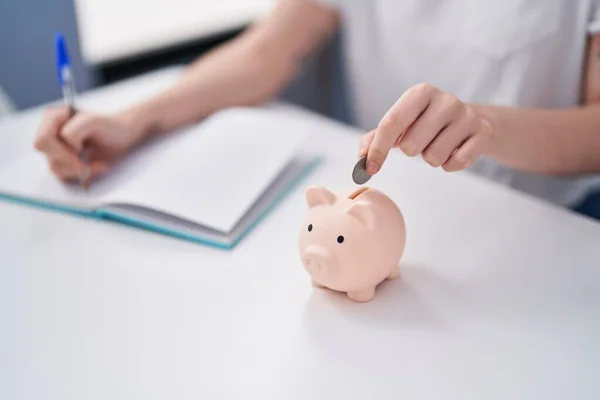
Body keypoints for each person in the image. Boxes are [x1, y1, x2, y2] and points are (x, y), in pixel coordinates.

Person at [34, 0, 600, 218]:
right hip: (402, 203)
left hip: (546, 216)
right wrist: (133, 120)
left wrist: (486, 126)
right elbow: (265, 52)